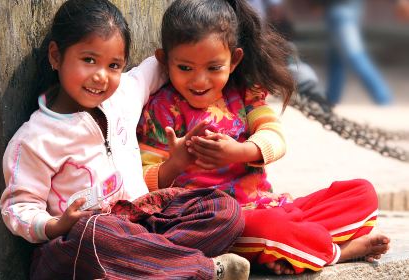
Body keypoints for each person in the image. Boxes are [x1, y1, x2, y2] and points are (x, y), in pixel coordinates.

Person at [0, 0, 250, 279]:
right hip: (78, 245)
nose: (101, 76)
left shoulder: (123, 96)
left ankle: (146, 268)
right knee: (96, 233)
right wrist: (55, 225)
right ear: (56, 56)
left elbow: (164, 62)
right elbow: (18, 208)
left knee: (223, 209)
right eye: (89, 60)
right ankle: (203, 270)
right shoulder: (35, 139)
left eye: (114, 65)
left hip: (141, 220)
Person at [137, 0, 390, 276]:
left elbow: (275, 137)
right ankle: (337, 251)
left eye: (213, 68)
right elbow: (143, 181)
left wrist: (240, 152)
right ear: (164, 59)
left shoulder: (244, 95)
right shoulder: (160, 110)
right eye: (185, 68)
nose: (199, 81)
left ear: (234, 61)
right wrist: (176, 163)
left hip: (270, 205)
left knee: (361, 193)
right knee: (270, 228)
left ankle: (292, 245)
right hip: (222, 224)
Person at [313, 0, 393, 105]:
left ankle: (383, 98)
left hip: (341, 6)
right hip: (342, 6)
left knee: (354, 54)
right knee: (336, 56)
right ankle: (330, 100)